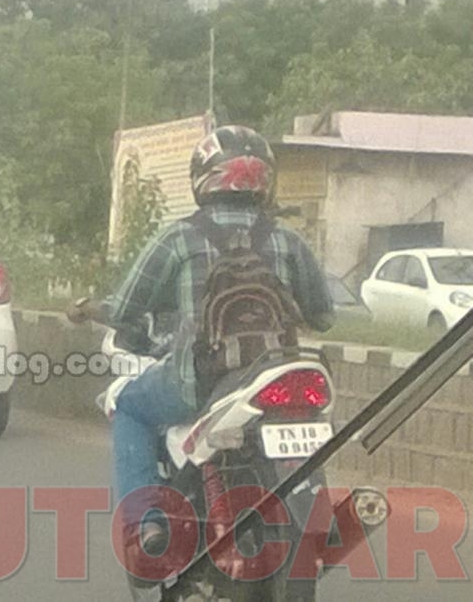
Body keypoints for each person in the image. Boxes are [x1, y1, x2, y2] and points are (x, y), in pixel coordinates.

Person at [85, 125, 334, 552]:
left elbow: (125, 309)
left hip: (198, 381)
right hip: (276, 372)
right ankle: (318, 510)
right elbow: (324, 317)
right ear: (264, 180)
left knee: (128, 406)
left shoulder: (179, 236)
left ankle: (150, 523)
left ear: (205, 177)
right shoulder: (288, 240)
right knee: (305, 421)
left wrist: (90, 307)